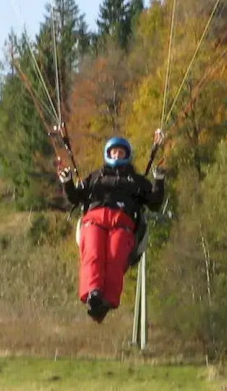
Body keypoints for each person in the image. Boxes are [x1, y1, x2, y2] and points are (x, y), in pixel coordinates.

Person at [59, 132, 166, 322]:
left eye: (121, 153)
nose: (117, 156)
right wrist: (67, 183)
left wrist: (159, 181)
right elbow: (76, 197)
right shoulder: (95, 177)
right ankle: (93, 294)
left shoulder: (137, 181)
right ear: (108, 154)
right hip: (94, 220)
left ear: (127, 156)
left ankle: (106, 300)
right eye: (114, 152)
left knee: (115, 256)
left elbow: (154, 202)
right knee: (94, 253)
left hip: (122, 223)